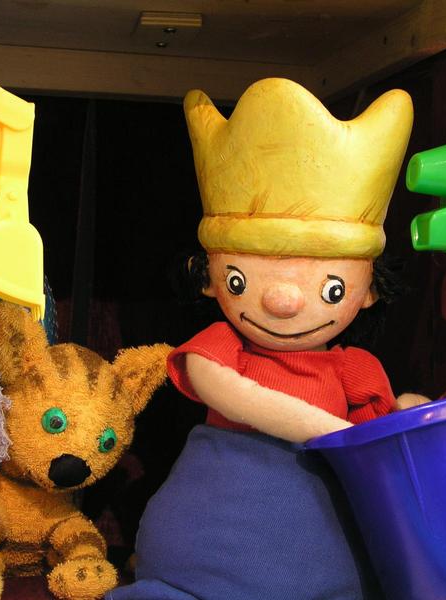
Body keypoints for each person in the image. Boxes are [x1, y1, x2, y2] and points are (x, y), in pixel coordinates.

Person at [108, 78, 421, 600]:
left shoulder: (355, 369)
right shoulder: (222, 346)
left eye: (331, 287)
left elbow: (383, 440)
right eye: (239, 280)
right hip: (202, 554)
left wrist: (416, 415)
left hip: (319, 568)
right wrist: (330, 431)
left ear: (368, 291)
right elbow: (230, 392)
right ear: (209, 278)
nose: (282, 302)